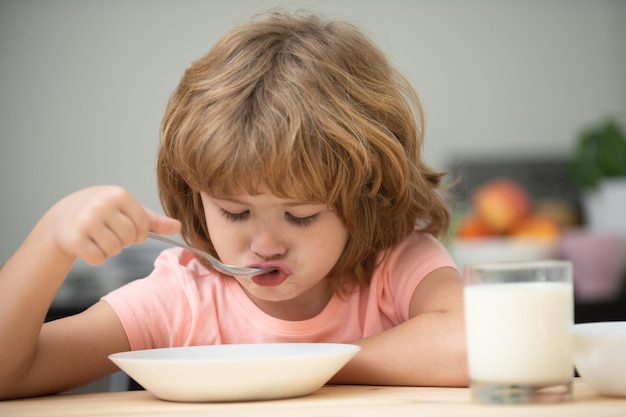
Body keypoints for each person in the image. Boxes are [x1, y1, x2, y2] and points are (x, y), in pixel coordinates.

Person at [0, 10, 467, 399]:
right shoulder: (184, 297)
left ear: (367, 198)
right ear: (194, 197)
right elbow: (11, 373)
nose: (264, 245)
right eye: (234, 212)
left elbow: (474, 343)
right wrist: (49, 241)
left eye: (301, 216)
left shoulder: (396, 263)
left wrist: (305, 368)